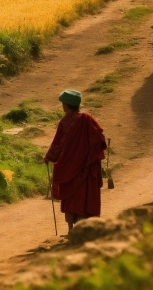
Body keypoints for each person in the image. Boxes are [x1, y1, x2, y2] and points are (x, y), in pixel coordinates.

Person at [44, 89, 107, 233]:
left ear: (66, 105)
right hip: (87, 167)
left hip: (70, 167)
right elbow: (100, 139)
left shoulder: (66, 121)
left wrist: (49, 157)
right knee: (86, 195)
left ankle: (70, 229)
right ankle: (86, 228)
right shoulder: (88, 119)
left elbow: (58, 143)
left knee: (71, 197)